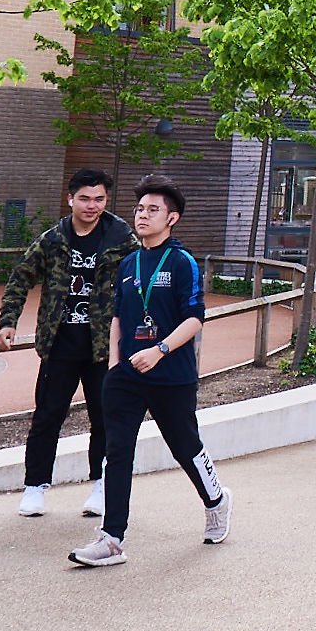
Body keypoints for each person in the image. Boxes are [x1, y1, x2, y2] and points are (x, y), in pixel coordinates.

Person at [69, 176, 229, 566]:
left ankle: (216, 501)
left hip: (171, 373)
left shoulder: (182, 261)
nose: (142, 215)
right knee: (117, 451)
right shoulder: (129, 263)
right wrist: (114, 365)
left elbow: (195, 319)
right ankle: (112, 539)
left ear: (172, 218)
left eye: (153, 210)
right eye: (140, 209)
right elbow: (118, 317)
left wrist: (160, 350)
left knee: (185, 447)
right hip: (126, 376)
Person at [0, 167, 134, 519]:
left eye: (99, 199)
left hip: (104, 347)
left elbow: (140, 282)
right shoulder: (53, 239)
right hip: (59, 343)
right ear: (70, 199)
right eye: (84, 199)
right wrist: (8, 321)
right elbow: (20, 277)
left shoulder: (122, 238)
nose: (92, 206)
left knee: (105, 418)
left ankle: (102, 485)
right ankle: (35, 486)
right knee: (47, 416)